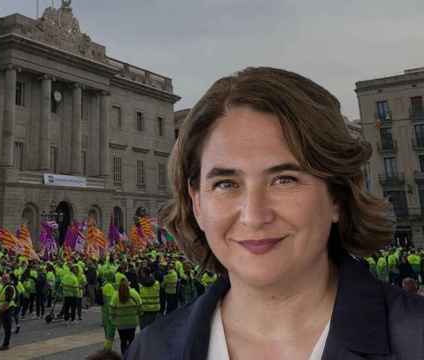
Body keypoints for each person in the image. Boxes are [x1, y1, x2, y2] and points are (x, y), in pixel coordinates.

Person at [126, 67, 424, 359]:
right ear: (197, 203)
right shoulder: (151, 350)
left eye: (285, 180)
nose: (254, 215)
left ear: (337, 195)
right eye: (226, 183)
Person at [109, 278, 141, 355]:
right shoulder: (134, 294)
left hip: (120, 324)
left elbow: (112, 310)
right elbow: (140, 306)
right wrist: (139, 315)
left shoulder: (115, 296)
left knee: (123, 341)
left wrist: (113, 320)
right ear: (128, 284)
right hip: (132, 322)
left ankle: (124, 356)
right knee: (131, 340)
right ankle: (132, 355)